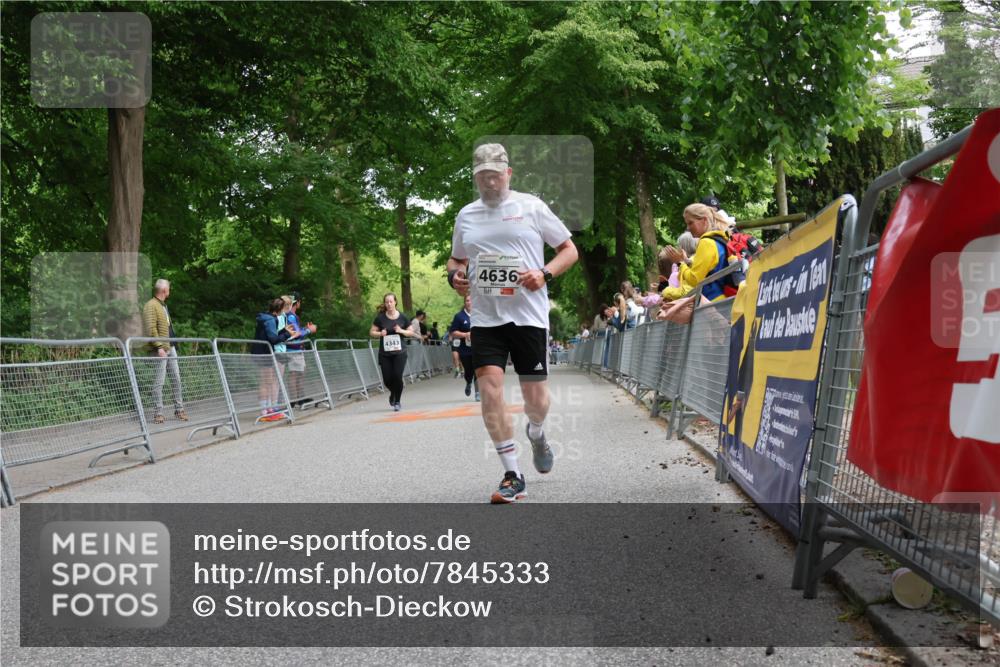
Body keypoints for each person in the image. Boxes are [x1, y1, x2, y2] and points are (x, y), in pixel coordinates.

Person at [447, 142, 579, 503]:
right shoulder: (466, 215)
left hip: (528, 316)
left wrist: (544, 274)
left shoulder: (531, 207)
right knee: (489, 389)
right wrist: (455, 276)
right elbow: (456, 260)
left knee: (536, 399)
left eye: (495, 175)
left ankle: (536, 432)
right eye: (482, 177)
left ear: (508, 173)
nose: (489, 182)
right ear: (475, 178)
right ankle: (512, 473)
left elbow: (569, 250)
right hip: (486, 318)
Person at [659, 202, 733, 303]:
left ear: (704, 220)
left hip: (711, 301)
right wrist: (687, 261)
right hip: (724, 299)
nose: (688, 228)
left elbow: (694, 280)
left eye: (690, 223)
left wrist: (680, 263)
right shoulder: (720, 238)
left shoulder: (706, 243)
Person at [141, 279, 187, 425]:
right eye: (169, 289)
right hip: (160, 349)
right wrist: (159, 346)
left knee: (176, 379)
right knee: (159, 382)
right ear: (164, 290)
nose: (170, 291)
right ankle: (158, 413)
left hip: (170, 346)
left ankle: (179, 410)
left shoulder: (162, 305)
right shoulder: (151, 305)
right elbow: (150, 329)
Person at [370, 292, 419, 411]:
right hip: (385, 354)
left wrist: (401, 331)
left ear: (395, 302)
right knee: (387, 379)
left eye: (391, 301)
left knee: (397, 376)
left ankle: (397, 401)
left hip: (399, 353)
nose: (389, 304)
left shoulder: (402, 317)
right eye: (386, 302)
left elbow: (411, 332)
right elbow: (371, 332)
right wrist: (380, 333)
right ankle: (393, 393)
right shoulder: (380, 318)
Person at [253, 297, 298, 422]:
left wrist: (284, 331)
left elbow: (273, 334)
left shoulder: (269, 318)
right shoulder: (270, 320)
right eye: (284, 308)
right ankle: (264, 411)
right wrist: (287, 334)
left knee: (268, 381)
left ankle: (269, 409)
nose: (284, 311)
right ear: (279, 309)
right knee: (265, 381)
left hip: (265, 352)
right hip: (263, 353)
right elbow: (273, 339)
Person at [285, 292, 318, 408]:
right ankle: (294, 400)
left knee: (301, 372)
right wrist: (310, 330)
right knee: (294, 374)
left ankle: (300, 398)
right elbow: (296, 334)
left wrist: (305, 328)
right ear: (297, 302)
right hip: (293, 349)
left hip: (296, 348)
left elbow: (296, 331)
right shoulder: (290, 316)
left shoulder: (290, 315)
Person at [448, 294, 477, 400]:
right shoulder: (459, 316)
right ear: (464, 303)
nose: (470, 302)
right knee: (469, 370)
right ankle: (468, 382)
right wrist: (465, 334)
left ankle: (478, 392)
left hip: (478, 348)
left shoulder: (480, 314)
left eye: (471, 300)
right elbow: (453, 332)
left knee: (478, 369)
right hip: (465, 349)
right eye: (467, 300)